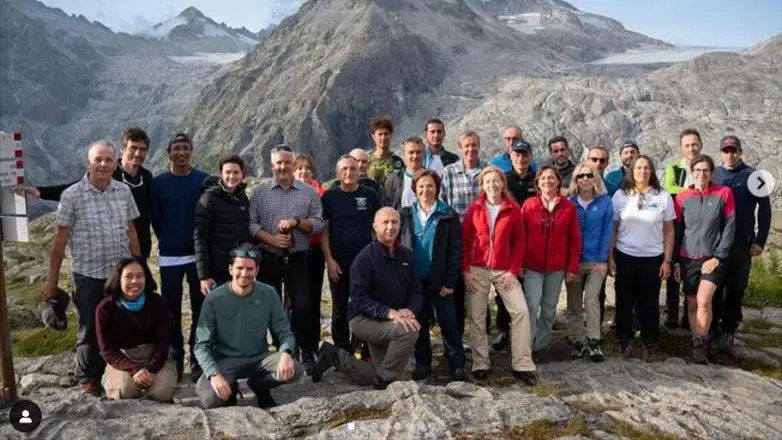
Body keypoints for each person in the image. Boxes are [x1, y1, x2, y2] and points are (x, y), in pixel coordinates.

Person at [43, 140, 142, 396]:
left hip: (119, 275)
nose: (103, 164)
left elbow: (131, 229)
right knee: (88, 326)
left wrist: (139, 265)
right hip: (88, 275)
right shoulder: (72, 195)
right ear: (88, 162)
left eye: (109, 160)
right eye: (98, 159)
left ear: (115, 164)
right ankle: (89, 378)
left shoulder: (123, 192)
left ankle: (120, 372)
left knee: (121, 323)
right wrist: (51, 281)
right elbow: (59, 241)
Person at [11, 127, 156, 264]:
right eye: (133, 148)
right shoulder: (108, 173)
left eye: (142, 149)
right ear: (123, 149)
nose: (137, 154)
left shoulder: (147, 177)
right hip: (111, 249)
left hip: (141, 247)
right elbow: (75, 188)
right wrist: (39, 191)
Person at [316, 207, 421, 389]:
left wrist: (410, 310)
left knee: (374, 375)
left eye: (394, 222)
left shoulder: (407, 256)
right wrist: (390, 313)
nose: (390, 227)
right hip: (364, 320)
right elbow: (359, 300)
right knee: (408, 331)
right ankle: (385, 379)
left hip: (391, 320)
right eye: (385, 223)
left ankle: (335, 356)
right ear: (375, 227)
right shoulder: (365, 259)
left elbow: (417, 291)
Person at [194, 244, 303, 408]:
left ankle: (259, 386)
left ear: (257, 270)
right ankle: (229, 388)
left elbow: (284, 332)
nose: (244, 274)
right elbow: (201, 345)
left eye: (249, 269)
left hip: (259, 358)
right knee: (210, 400)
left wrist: (286, 352)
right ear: (230, 269)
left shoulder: (269, 293)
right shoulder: (214, 299)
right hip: (225, 360)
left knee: (294, 369)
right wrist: (214, 374)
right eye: (239, 268)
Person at [248, 144, 324, 372]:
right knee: (267, 307)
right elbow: (252, 224)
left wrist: (297, 223)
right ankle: (275, 351)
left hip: (298, 257)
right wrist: (271, 239)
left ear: (293, 163)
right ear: (272, 165)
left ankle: (305, 349)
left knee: (302, 306)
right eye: (279, 163)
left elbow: (319, 224)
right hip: (269, 257)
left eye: (287, 162)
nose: (283, 167)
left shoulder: (308, 192)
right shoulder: (259, 192)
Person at [462, 167, 537, 384]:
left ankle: (522, 363)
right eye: (488, 182)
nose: (492, 185)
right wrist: (465, 271)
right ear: (482, 185)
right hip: (477, 269)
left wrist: (513, 270)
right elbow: (465, 242)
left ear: (503, 183)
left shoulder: (513, 209)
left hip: (504, 269)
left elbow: (519, 243)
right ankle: (480, 362)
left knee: (521, 311)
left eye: (496, 181)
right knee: (477, 317)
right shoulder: (474, 208)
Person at [150, 132, 210, 382]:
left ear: (192, 150)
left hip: (197, 256)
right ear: (169, 153)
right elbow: (156, 218)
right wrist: (169, 239)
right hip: (170, 256)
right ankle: (175, 357)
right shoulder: (159, 182)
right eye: (177, 148)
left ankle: (198, 359)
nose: (182, 152)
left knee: (201, 310)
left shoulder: (203, 180)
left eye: (186, 148)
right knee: (170, 310)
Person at [399, 170, 467, 382]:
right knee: (419, 323)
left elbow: (456, 250)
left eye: (430, 186)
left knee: (448, 323)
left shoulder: (448, 214)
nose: (425, 190)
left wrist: (450, 281)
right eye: (421, 186)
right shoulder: (406, 214)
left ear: (437, 188)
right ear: (415, 189)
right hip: (415, 282)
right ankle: (422, 363)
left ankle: (457, 363)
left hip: (440, 282)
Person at [609, 156, 675, 358]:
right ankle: (624, 338)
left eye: (647, 167)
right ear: (632, 171)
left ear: (652, 171)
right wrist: (610, 257)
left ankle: (650, 340)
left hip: (653, 257)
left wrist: (667, 260)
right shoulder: (620, 196)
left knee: (650, 302)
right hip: (625, 255)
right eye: (638, 167)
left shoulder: (662, 196)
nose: (642, 171)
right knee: (624, 300)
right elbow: (613, 228)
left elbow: (669, 231)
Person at [711, 136, 772, 353]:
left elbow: (765, 209)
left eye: (734, 150)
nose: (730, 155)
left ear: (740, 152)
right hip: (715, 243)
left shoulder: (753, 175)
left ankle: (729, 330)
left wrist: (760, 240)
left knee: (736, 288)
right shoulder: (713, 173)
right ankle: (711, 329)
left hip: (742, 243)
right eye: (726, 150)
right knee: (714, 286)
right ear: (720, 152)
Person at [673, 154, 736, 364]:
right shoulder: (682, 197)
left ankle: (701, 341)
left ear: (712, 172)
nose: (701, 174)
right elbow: (677, 231)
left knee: (703, 301)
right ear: (692, 172)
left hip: (713, 258)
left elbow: (729, 226)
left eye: (706, 170)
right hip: (687, 257)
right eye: (697, 170)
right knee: (691, 304)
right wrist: (674, 261)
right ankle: (696, 344)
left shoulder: (723, 193)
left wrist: (719, 256)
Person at [321, 155, 380, 354]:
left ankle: (362, 346)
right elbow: (324, 231)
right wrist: (329, 260)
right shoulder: (329, 196)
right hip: (339, 260)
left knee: (364, 303)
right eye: (344, 169)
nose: (348, 173)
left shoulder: (370, 194)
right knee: (339, 308)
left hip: (364, 261)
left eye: (352, 169)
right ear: (338, 173)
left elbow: (376, 227)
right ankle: (341, 349)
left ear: (359, 171)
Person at [95, 258, 177, 402]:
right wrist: (135, 369)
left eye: (140, 276)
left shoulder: (157, 302)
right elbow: (108, 350)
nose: (135, 281)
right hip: (124, 358)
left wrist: (151, 369)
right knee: (125, 392)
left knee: (162, 393)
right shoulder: (105, 309)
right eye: (129, 276)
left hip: (155, 356)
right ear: (118, 279)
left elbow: (163, 342)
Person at [520, 166, 581, 358]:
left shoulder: (568, 207)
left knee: (548, 307)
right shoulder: (529, 205)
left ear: (558, 181)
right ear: (537, 183)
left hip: (556, 267)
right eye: (543, 178)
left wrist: (571, 267)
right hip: (532, 265)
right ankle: (526, 346)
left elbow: (574, 238)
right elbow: (520, 237)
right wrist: (519, 264)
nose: (547, 181)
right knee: (531, 303)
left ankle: (541, 345)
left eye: (551, 178)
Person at [440, 130, 487, 335]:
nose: (470, 150)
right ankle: (458, 335)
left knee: (480, 292)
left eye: (474, 145)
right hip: (457, 240)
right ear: (460, 148)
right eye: (466, 146)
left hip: (482, 243)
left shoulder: (487, 171)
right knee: (457, 290)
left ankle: (481, 335)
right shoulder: (449, 172)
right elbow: (443, 205)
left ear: (479, 146)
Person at [565, 163, 613, 361]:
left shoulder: (605, 202)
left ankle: (594, 341)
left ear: (596, 179)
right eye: (580, 176)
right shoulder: (568, 203)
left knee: (591, 299)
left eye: (589, 175)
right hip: (574, 262)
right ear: (576, 180)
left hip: (595, 261)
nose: (585, 179)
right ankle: (578, 340)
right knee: (574, 304)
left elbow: (607, 231)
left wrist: (603, 259)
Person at [492, 139, 537, 351]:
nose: (521, 157)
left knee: (527, 289)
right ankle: (503, 329)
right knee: (504, 289)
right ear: (510, 156)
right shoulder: (504, 180)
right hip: (507, 243)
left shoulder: (537, 181)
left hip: (532, 242)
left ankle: (524, 332)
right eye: (517, 154)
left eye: (524, 154)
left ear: (530, 157)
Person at [662, 128, 703, 329]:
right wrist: (694, 190)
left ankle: (689, 315)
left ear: (701, 145)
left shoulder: (705, 168)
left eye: (694, 144)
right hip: (677, 222)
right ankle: (671, 311)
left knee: (692, 267)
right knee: (673, 262)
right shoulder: (674, 167)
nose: (691, 148)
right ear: (681, 148)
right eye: (687, 145)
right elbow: (669, 188)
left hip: (698, 224)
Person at [194, 154, 250, 292]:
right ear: (221, 174)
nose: (232, 176)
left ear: (242, 174)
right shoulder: (209, 198)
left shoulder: (242, 198)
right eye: (228, 172)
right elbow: (200, 237)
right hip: (216, 270)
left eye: (236, 172)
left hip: (238, 267)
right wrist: (204, 276)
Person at [293, 154, 328, 353]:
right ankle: (294, 344)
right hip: (294, 249)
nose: (303, 172)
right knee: (295, 300)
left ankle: (311, 345)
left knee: (313, 299)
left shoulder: (321, 193)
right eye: (299, 169)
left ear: (312, 171)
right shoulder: (288, 191)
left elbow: (322, 225)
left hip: (314, 250)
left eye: (306, 169)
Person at [382, 137, 425, 210]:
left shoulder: (432, 178)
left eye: (418, 152)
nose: (415, 156)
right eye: (411, 152)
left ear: (423, 154)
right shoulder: (393, 179)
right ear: (404, 154)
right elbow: (385, 206)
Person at [366, 117, 405, 185]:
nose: (383, 138)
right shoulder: (366, 159)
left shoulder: (397, 161)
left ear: (391, 135)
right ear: (373, 136)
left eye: (386, 134)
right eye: (380, 134)